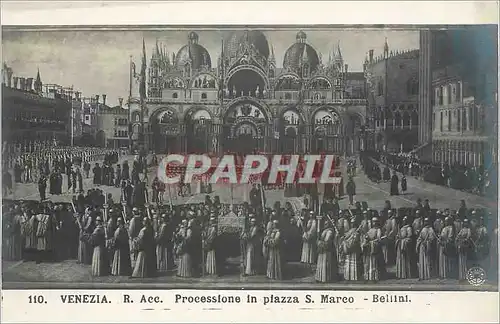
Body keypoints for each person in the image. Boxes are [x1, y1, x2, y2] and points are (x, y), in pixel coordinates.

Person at [363, 217, 385, 282]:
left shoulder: (378, 230)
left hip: (375, 248)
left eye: (375, 221)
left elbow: (379, 239)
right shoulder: (370, 230)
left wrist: (373, 241)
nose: (374, 223)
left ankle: (375, 276)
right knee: (368, 262)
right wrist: (366, 239)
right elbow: (367, 236)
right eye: (373, 221)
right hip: (369, 247)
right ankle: (368, 276)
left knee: (375, 262)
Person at [315, 218, 337, 283]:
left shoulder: (330, 231)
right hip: (322, 248)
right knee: (321, 262)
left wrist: (319, 243)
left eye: (326, 224)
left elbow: (327, 241)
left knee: (326, 263)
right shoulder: (324, 230)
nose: (325, 225)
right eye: (324, 223)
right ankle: (320, 277)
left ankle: (325, 278)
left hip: (328, 249)